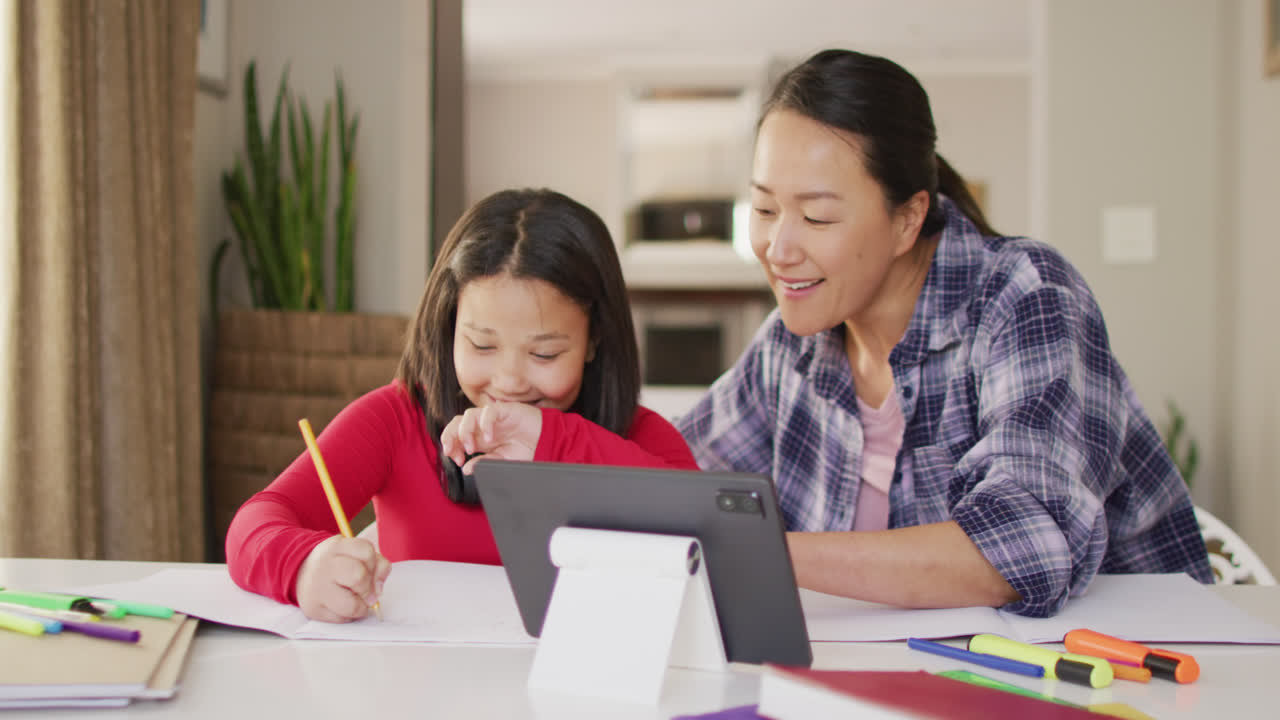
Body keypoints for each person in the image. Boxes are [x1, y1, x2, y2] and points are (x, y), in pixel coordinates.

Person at [676, 49, 1212, 618]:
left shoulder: (1024, 297)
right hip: (906, 674)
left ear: (908, 219)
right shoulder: (791, 344)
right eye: (763, 209)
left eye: (817, 218)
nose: (778, 250)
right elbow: (677, 471)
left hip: (1130, 672)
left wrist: (760, 551)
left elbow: (1017, 549)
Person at [226, 188, 698, 622]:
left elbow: (715, 545)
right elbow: (254, 524)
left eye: (544, 354)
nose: (509, 382)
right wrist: (304, 567)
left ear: (594, 341)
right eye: (481, 346)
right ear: (450, 326)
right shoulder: (394, 420)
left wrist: (554, 439)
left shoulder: (639, 438)